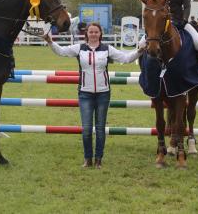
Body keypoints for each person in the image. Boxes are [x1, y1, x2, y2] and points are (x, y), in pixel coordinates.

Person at [43, 22, 145, 169]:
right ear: (86, 34)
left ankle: (98, 159)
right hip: (85, 94)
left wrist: (139, 52)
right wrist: (50, 41)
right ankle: (87, 159)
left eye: (96, 32)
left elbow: (125, 58)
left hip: (103, 94)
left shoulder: (107, 49)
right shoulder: (79, 48)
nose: (93, 34)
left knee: (100, 128)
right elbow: (62, 51)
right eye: (91, 32)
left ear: (100, 34)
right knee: (86, 129)